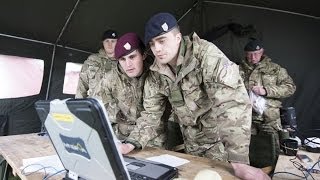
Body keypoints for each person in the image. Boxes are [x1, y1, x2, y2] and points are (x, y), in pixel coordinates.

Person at [119, 12, 270, 180]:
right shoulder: (156, 72)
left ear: (177, 37)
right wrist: (131, 143)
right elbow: (151, 114)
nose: (157, 49)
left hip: (221, 147)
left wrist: (238, 160)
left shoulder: (206, 56)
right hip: (190, 148)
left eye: (162, 40)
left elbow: (232, 104)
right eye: (152, 44)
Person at [92, 32, 167, 148]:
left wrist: (131, 143)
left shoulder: (157, 75)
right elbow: (95, 111)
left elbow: (152, 116)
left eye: (132, 57)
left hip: (152, 140)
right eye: (122, 59)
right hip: (119, 139)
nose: (128, 64)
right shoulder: (109, 80)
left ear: (143, 55)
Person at [239, 39, 296, 168]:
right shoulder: (238, 69)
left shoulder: (275, 69)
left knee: (271, 149)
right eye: (249, 54)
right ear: (245, 54)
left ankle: (272, 173)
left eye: (256, 53)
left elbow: (290, 87)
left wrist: (266, 90)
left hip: (269, 117)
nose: (253, 57)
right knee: (246, 148)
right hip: (246, 117)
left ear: (262, 52)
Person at [75, 29, 118, 98]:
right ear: (102, 43)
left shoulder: (123, 62)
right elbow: (81, 85)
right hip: (94, 104)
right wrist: (79, 106)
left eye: (113, 41)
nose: (110, 44)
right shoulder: (92, 60)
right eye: (107, 41)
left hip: (115, 107)